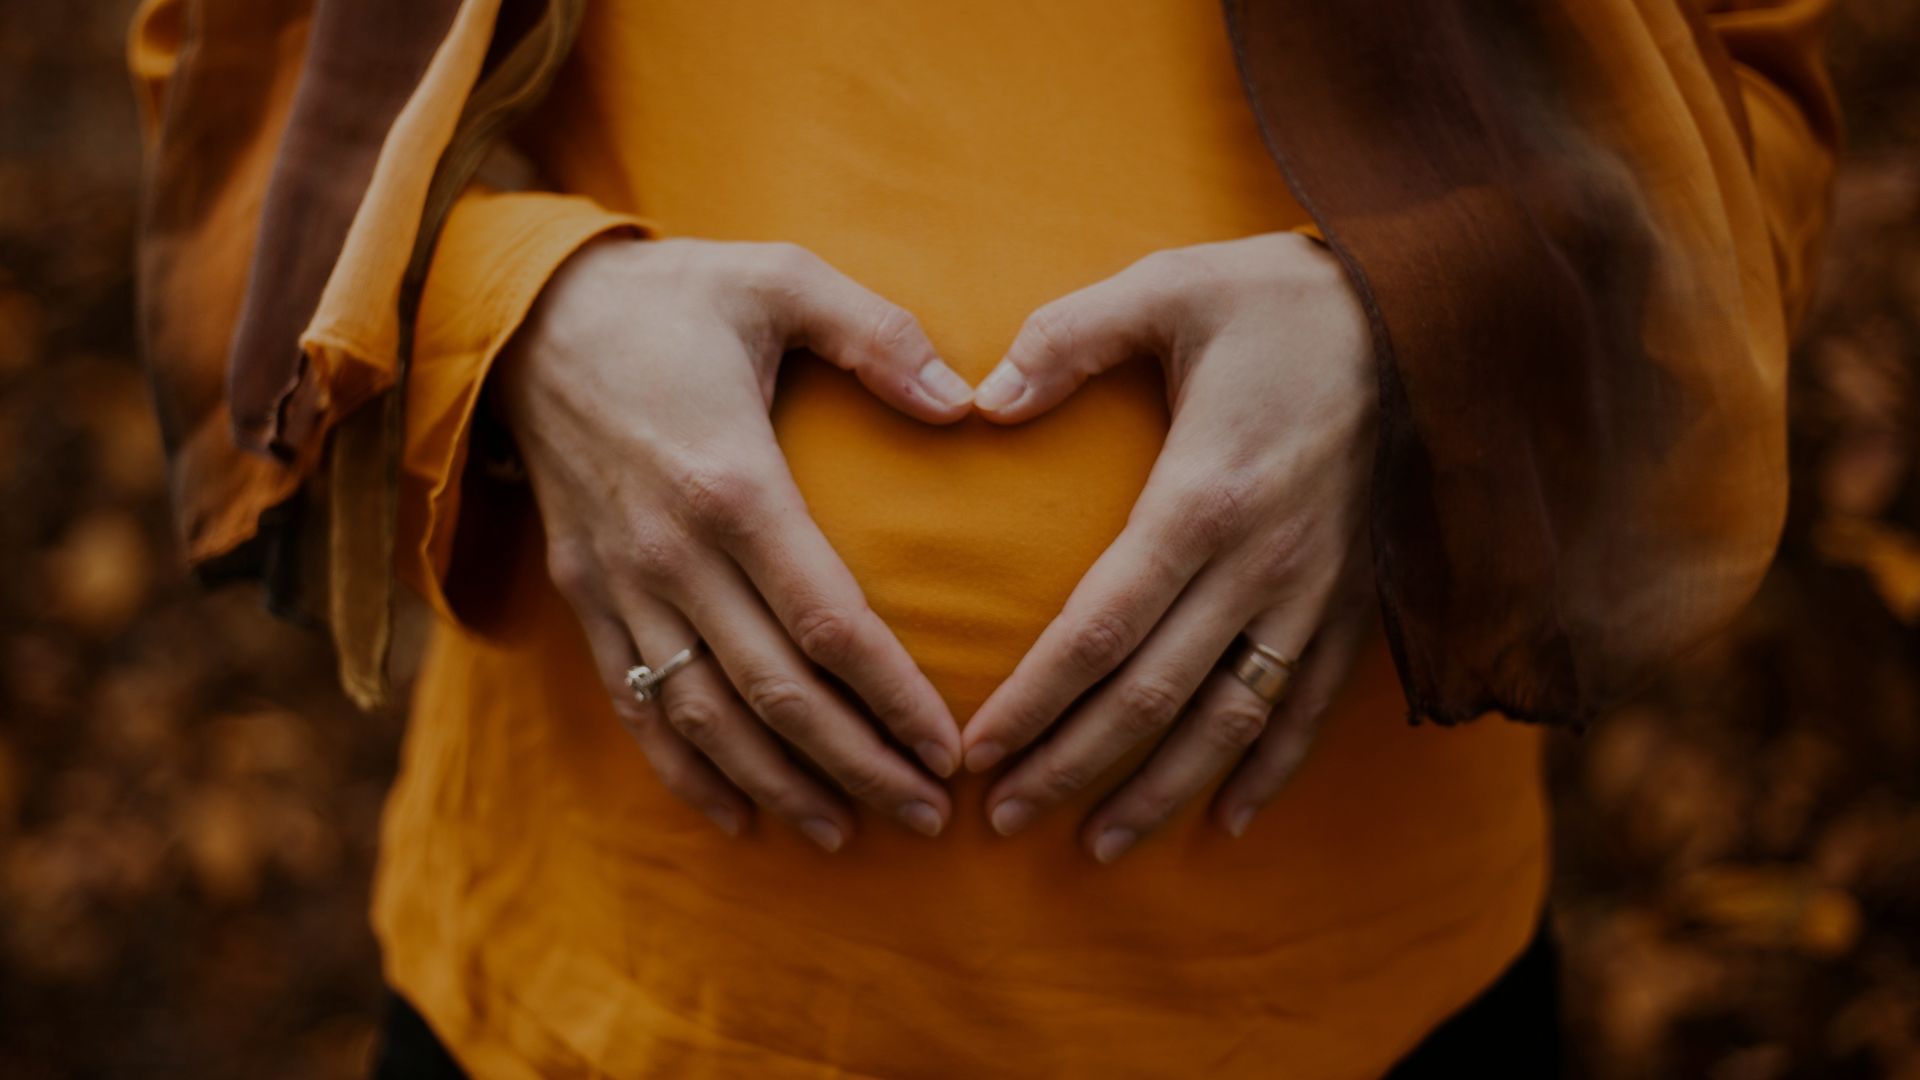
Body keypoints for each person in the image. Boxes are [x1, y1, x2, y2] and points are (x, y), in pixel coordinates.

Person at [129, 0, 1837, 1075]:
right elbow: (249, 85)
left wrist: (1422, 335)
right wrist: (513, 324)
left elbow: (1741, 124)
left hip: (1350, 1009)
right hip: (604, 1000)